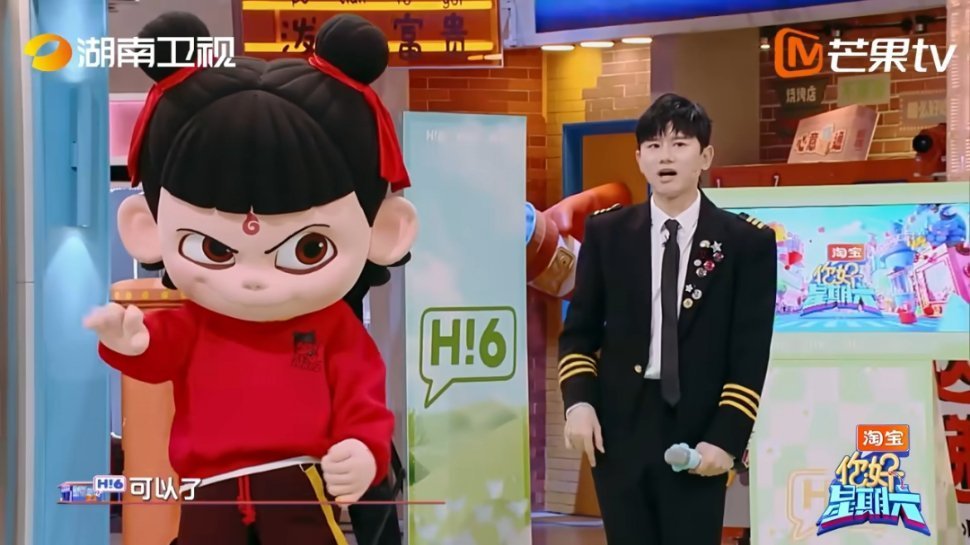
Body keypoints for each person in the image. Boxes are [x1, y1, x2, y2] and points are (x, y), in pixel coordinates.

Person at [83, 11, 417, 545]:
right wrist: (129, 341)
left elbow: (362, 400)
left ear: (385, 231)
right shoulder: (195, 322)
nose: (254, 280)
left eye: (308, 249)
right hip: (208, 493)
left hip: (299, 487)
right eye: (216, 248)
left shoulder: (334, 328)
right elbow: (158, 352)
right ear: (145, 229)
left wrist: (363, 448)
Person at [558, 93, 777, 545]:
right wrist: (579, 404)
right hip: (618, 430)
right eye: (654, 146)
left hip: (699, 429)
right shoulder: (608, 233)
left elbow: (750, 352)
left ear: (705, 157)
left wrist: (727, 437)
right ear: (639, 159)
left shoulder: (745, 243)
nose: (666, 157)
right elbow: (578, 334)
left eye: (679, 144)